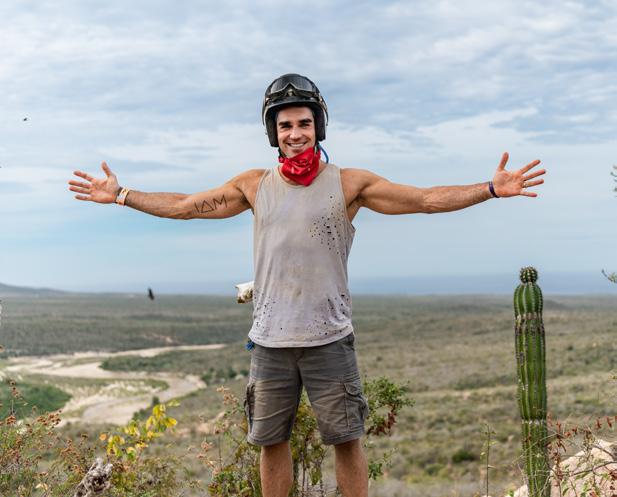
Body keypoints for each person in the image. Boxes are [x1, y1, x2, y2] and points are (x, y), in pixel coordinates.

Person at [68, 73, 546, 497]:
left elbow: (423, 199)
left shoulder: (349, 184)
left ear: (318, 126)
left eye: (303, 123)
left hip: (329, 340)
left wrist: (489, 189)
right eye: (285, 126)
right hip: (270, 342)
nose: (295, 134)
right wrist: (122, 195)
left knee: (347, 440)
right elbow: (185, 206)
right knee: (270, 441)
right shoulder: (254, 185)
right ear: (273, 133)